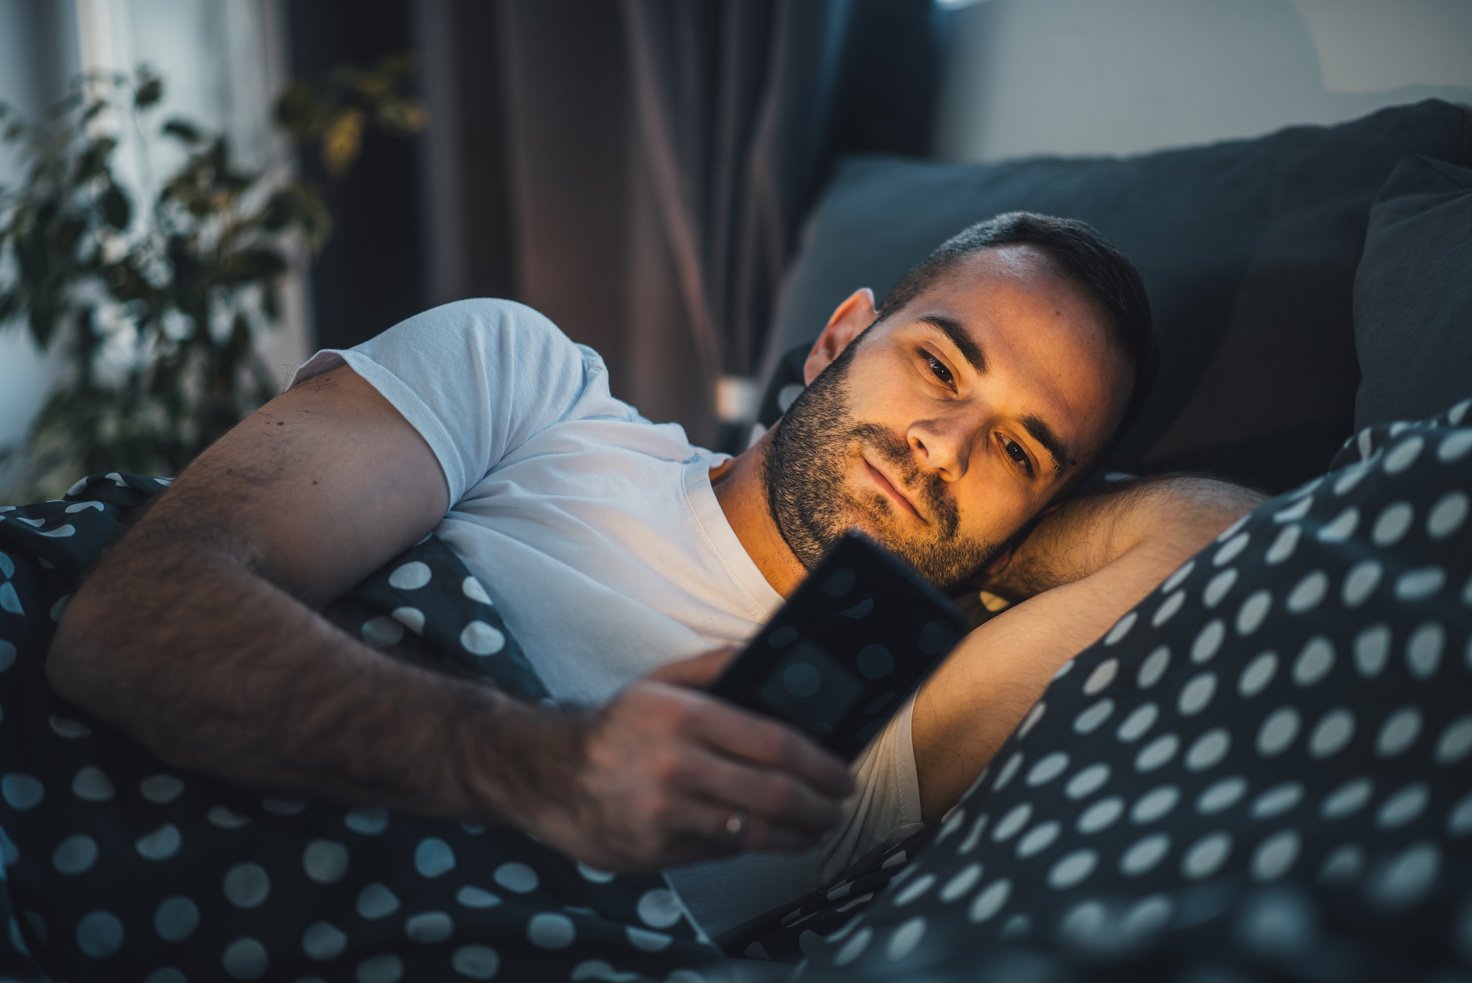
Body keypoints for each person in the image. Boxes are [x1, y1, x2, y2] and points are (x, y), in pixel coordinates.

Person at [44, 212, 1261, 935]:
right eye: (940, 365)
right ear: (838, 338)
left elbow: (1215, 537)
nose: (941, 449)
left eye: (1017, 445)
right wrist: (543, 765)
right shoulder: (532, 389)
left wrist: (988, 524)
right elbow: (135, 618)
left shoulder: (888, 735)